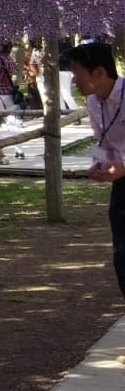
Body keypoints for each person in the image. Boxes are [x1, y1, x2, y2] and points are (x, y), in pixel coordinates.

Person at [65, 40, 125, 297]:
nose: (73, 79)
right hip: (122, 182)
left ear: (99, 73)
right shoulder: (92, 102)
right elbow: (104, 141)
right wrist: (98, 163)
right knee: (122, 255)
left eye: (76, 71)